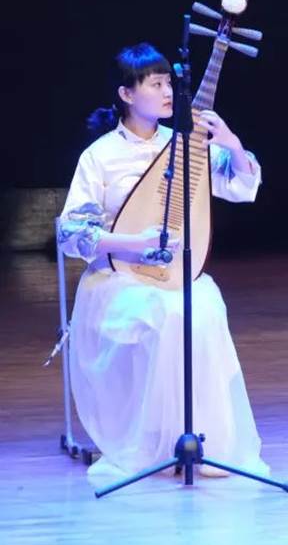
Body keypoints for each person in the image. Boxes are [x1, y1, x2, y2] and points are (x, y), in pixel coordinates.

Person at [58, 43, 266, 478]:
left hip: (174, 275)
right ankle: (152, 440)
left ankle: (203, 440)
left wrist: (231, 143)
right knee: (167, 316)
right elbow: (72, 233)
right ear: (126, 94)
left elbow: (241, 185)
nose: (169, 91)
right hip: (116, 282)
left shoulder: (183, 146)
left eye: (169, 82)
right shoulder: (100, 156)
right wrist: (134, 242)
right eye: (155, 84)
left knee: (204, 310)